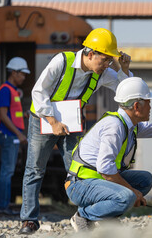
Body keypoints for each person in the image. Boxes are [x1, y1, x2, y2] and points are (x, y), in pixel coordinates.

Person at [19, 28, 133, 235]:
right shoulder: (61, 62)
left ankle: (87, 216)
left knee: (80, 170)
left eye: (109, 61)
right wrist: (53, 121)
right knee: (34, 170)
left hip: (73, 123)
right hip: (43, 121)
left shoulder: (103, 72)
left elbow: (125, 89)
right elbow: (39, 91)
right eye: (105, 60)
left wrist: (123, 68)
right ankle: (29, 220)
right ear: (91, 54)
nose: (107, 65)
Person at [65, 77, 152, 232]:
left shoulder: (129, 125)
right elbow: (105, 169)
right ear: (136, 106)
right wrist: (133, 192)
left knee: (144, 180)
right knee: (126, 197)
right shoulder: (114, 127)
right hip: (80, 184)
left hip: (96, 181)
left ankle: (104, 217)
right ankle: (83, 216)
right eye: (148, 102)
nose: (150, 106)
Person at [0, 57, 29, 215]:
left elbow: (11, 113)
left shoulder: (12, 90)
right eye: (22, 74)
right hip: (9, 136)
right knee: (6, 172)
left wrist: (24, 115)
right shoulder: (5, 90)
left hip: (11, 136)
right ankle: (2, 207)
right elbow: (3, 116)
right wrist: (19, 134)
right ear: (14, 72)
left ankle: (3, 206)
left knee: (7, 172)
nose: (24, 77)